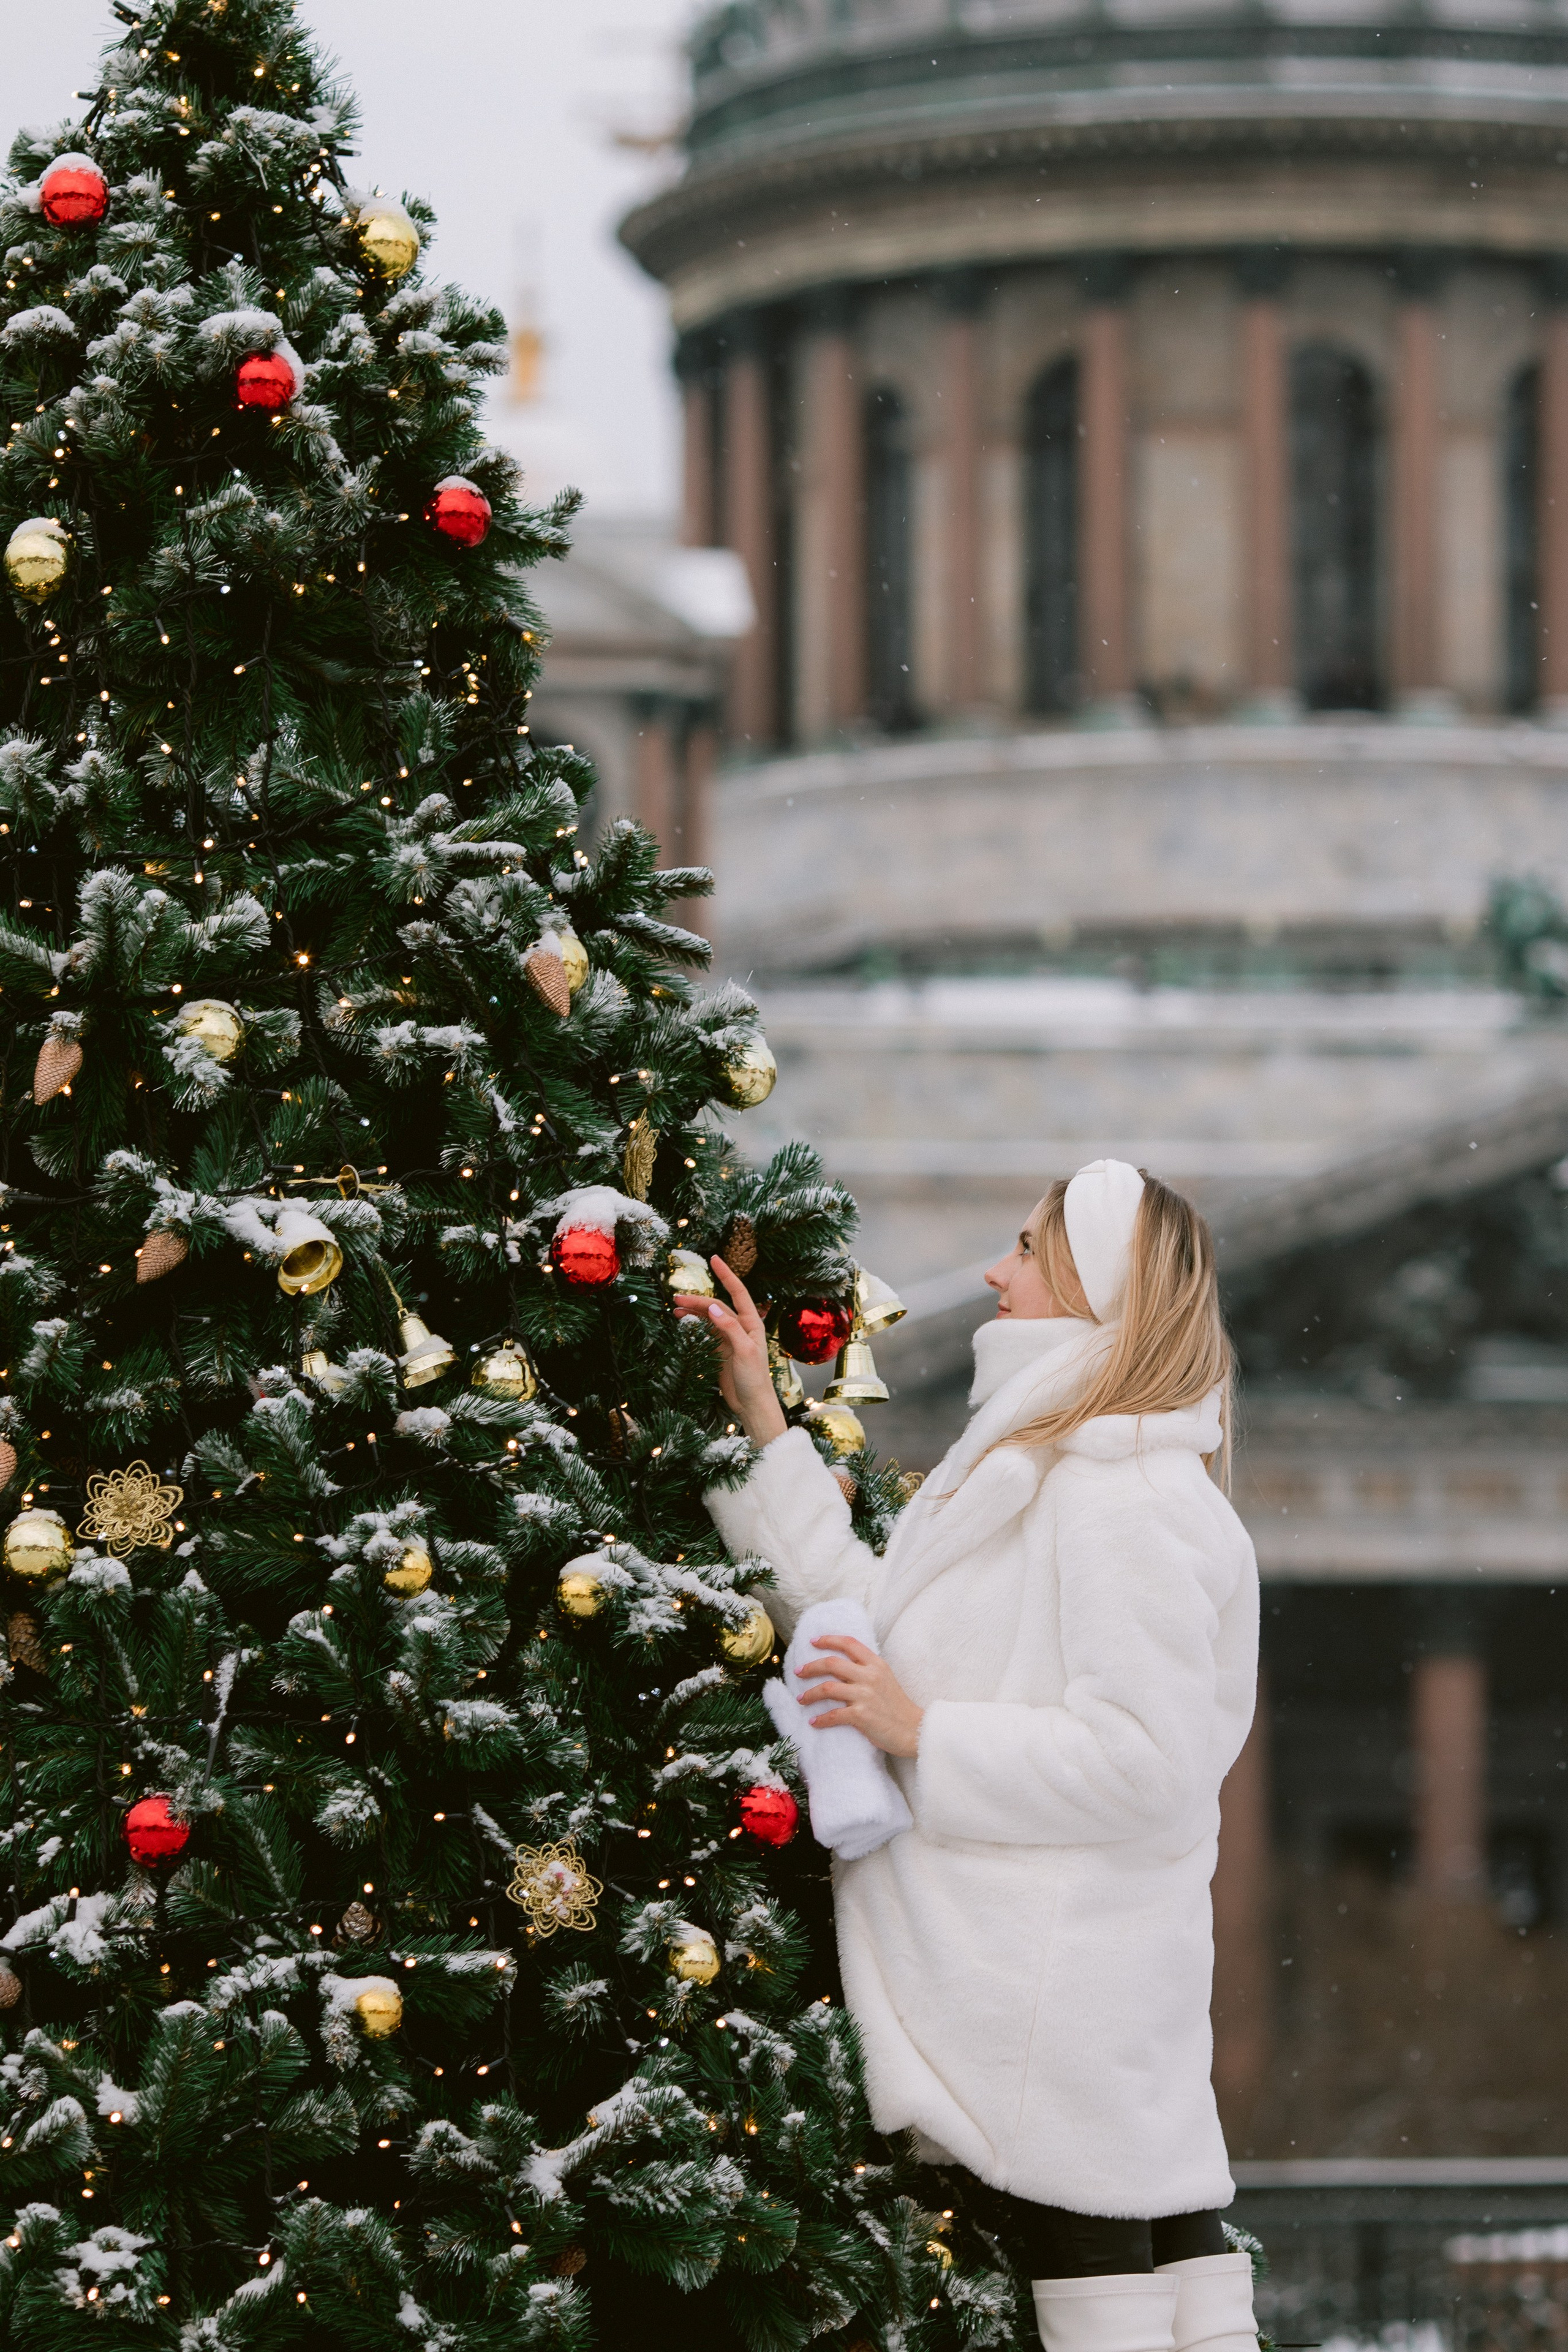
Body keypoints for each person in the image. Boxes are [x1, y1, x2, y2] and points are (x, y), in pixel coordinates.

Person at [675, 1160, 1262, 2352]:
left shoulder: (1120, 1496)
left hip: (1044, 2006)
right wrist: (763, 1423)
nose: (997, 1271)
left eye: (1027, 1250)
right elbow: (868, 1622)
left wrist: (917, 1735)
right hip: (1043, 2003)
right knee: (1158, 2296)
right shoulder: (1048, 1468)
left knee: (1104, 2300)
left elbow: (1143, 1762)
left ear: (1094, 1288)